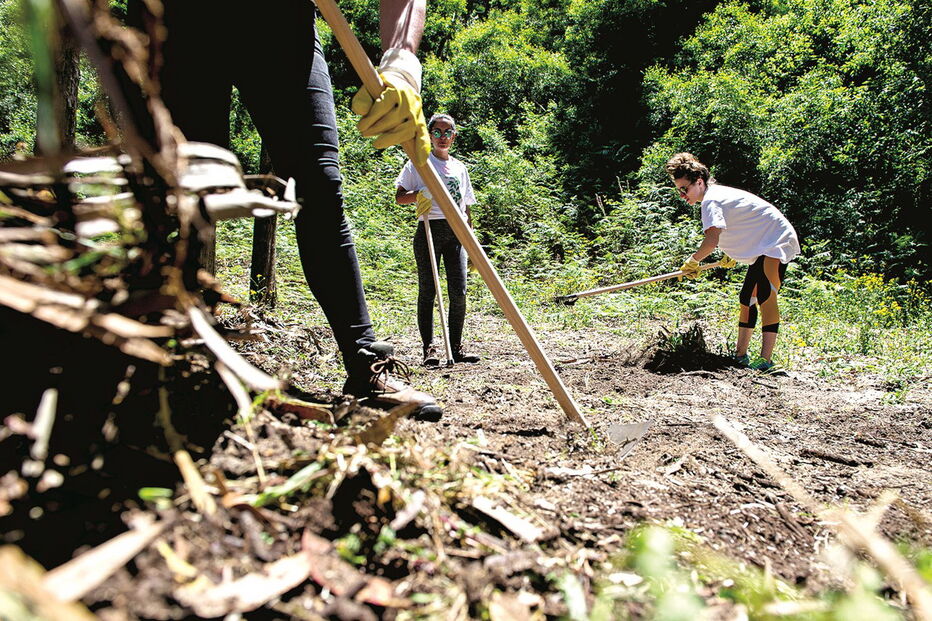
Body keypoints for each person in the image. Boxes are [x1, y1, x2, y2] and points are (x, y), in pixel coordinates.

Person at [136, 0, 441, 419]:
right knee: (181, 189)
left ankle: (363, 362)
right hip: (179, 19)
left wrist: (402, 61)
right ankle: (164, 353)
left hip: (281, 25)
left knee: (319, 184)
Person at [666, 153, 800, 372]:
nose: (682, 195)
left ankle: (765, 361)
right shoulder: (714, 197)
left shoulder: (711, 200)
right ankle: (740, 356)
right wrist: (732, 254)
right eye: (679, 190)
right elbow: (741, 224)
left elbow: (711, 240)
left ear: (699, 181)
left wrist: (693, 261)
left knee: (765, 295)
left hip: (776, 241)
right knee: (747, 298)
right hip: (762, 245)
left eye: (684, 189)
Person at [395, 113, 480, 367]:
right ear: (430, 135)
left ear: (454, 136)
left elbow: (466, 207)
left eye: (448, 133)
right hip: (429, 229)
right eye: (438, 132)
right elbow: (400, 197)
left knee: (459, 292)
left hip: (457, 232)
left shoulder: (459, 168)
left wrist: (471, 240)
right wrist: (421, 193)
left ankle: (456, 347)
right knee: (428, 290)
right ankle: (429, 348)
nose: (443, 137)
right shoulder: (419, 163)